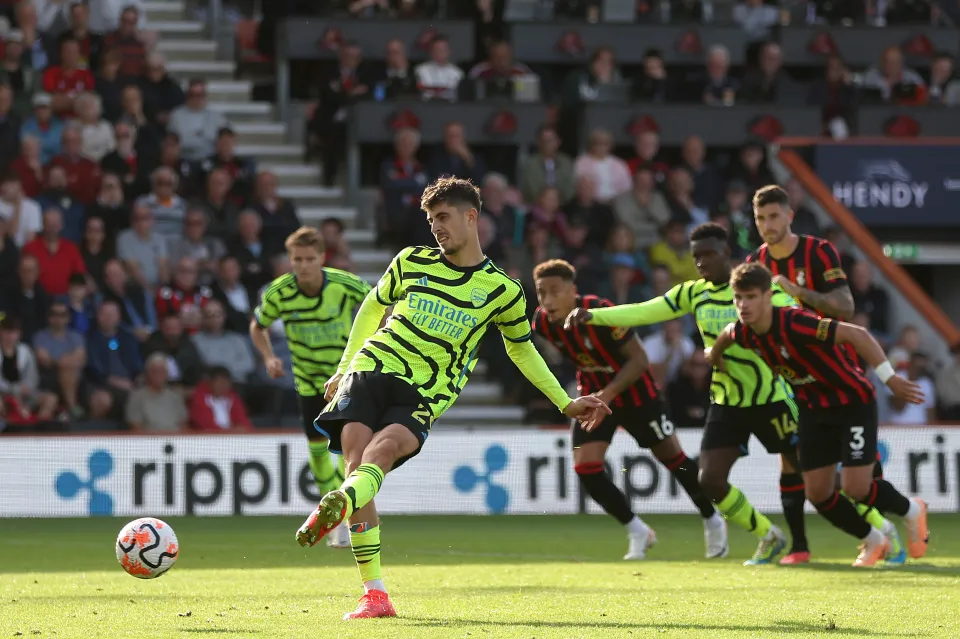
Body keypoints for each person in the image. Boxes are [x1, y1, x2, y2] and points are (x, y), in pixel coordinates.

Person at [294, 177, 609, 620]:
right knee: (357, 460)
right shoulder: (411, 261)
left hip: (425, 390)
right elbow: (371, 306)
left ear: (471, 217)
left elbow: (521, 349)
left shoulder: (502, 290)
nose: (435, 227)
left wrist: (564, 401)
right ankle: (375, 593)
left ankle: (341, 504)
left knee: (379, 455)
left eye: (442, 217)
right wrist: (345, 365)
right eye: (429, 219)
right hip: (372, 368)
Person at [568, 223, 810, 565]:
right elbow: (645, 310)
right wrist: (595, 316)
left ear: (726, 253)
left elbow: (800, 321)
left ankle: (848, 535)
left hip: (773, 398)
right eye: (696, 256)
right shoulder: (693, 293)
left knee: (812, 474)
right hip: (727, 401)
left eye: (707, 254)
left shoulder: (759, 289)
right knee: (709, 480)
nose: (700, 262)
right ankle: (768, 534)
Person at [707, 262, 929, 567]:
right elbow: (726, 336)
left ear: (768, 296)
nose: (743, 305)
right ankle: (875, 540)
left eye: (751, 297)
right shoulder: (744, 332)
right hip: (813, 410)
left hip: (852, 403)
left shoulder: (795, 323)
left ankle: (912, 511)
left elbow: (858, 334)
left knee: (855, 488)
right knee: (818, 493)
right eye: (738, 298)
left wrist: (890, 378)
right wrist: (714, 357)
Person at [532, 258, 726, 561]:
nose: (547, 300)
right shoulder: (542, 323)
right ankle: (637, 530)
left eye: (555, 291)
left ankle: (712, 519)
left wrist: (607, 394)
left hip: (637, 396)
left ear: (573, 291)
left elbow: (639, 360)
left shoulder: (601, 311)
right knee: (586, 468)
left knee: (673, 459)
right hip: (593, 398)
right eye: (541, 293)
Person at [746, 184, 880, 563]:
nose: (767, 225)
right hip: (792, 378)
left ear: (789, 216)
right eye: (760, 218)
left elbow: (845, 307)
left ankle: (892, 531)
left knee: (862, 474)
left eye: (774, 216)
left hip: (837, 370)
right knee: (794, 463)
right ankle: (802, 547)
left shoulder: (819, 251)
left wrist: (798, 292)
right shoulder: (755, 264)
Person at [250, 226, 372, 550]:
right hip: (307, 383)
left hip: (345, 380)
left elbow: (380, 305)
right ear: (290, 260)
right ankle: (333, 515)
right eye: (297, 259)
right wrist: (268, 357)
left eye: (309, 259)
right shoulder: (279, 293)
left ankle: (347, 518)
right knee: (318, 451)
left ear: (322, 258)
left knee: (350, 452)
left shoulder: (345, 286)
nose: (303, 266)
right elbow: (257, 326)